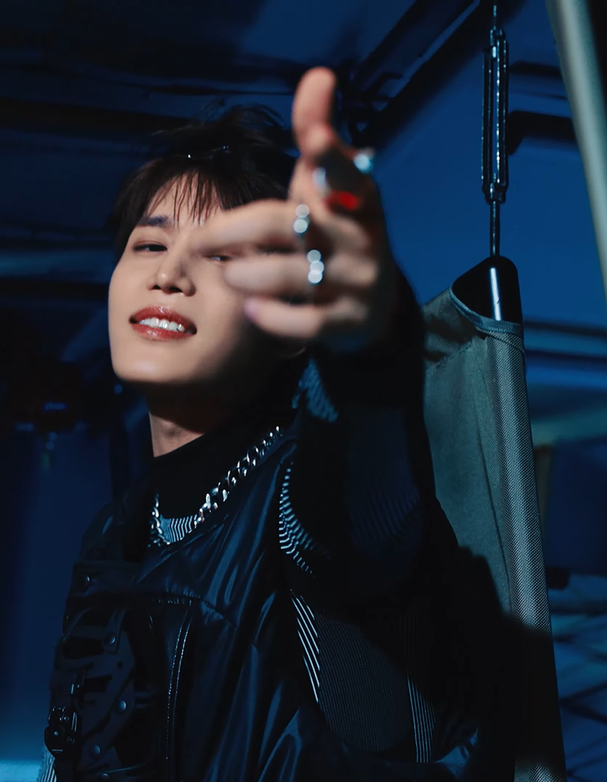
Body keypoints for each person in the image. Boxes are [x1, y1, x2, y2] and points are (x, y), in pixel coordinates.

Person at [36, 68, 500, 782]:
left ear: (288, 328)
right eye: (150, 245)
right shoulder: (118, 529)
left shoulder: (292, 503)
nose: (169, 275)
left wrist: (368, 342)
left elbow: (356, 495)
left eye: (222, 257)